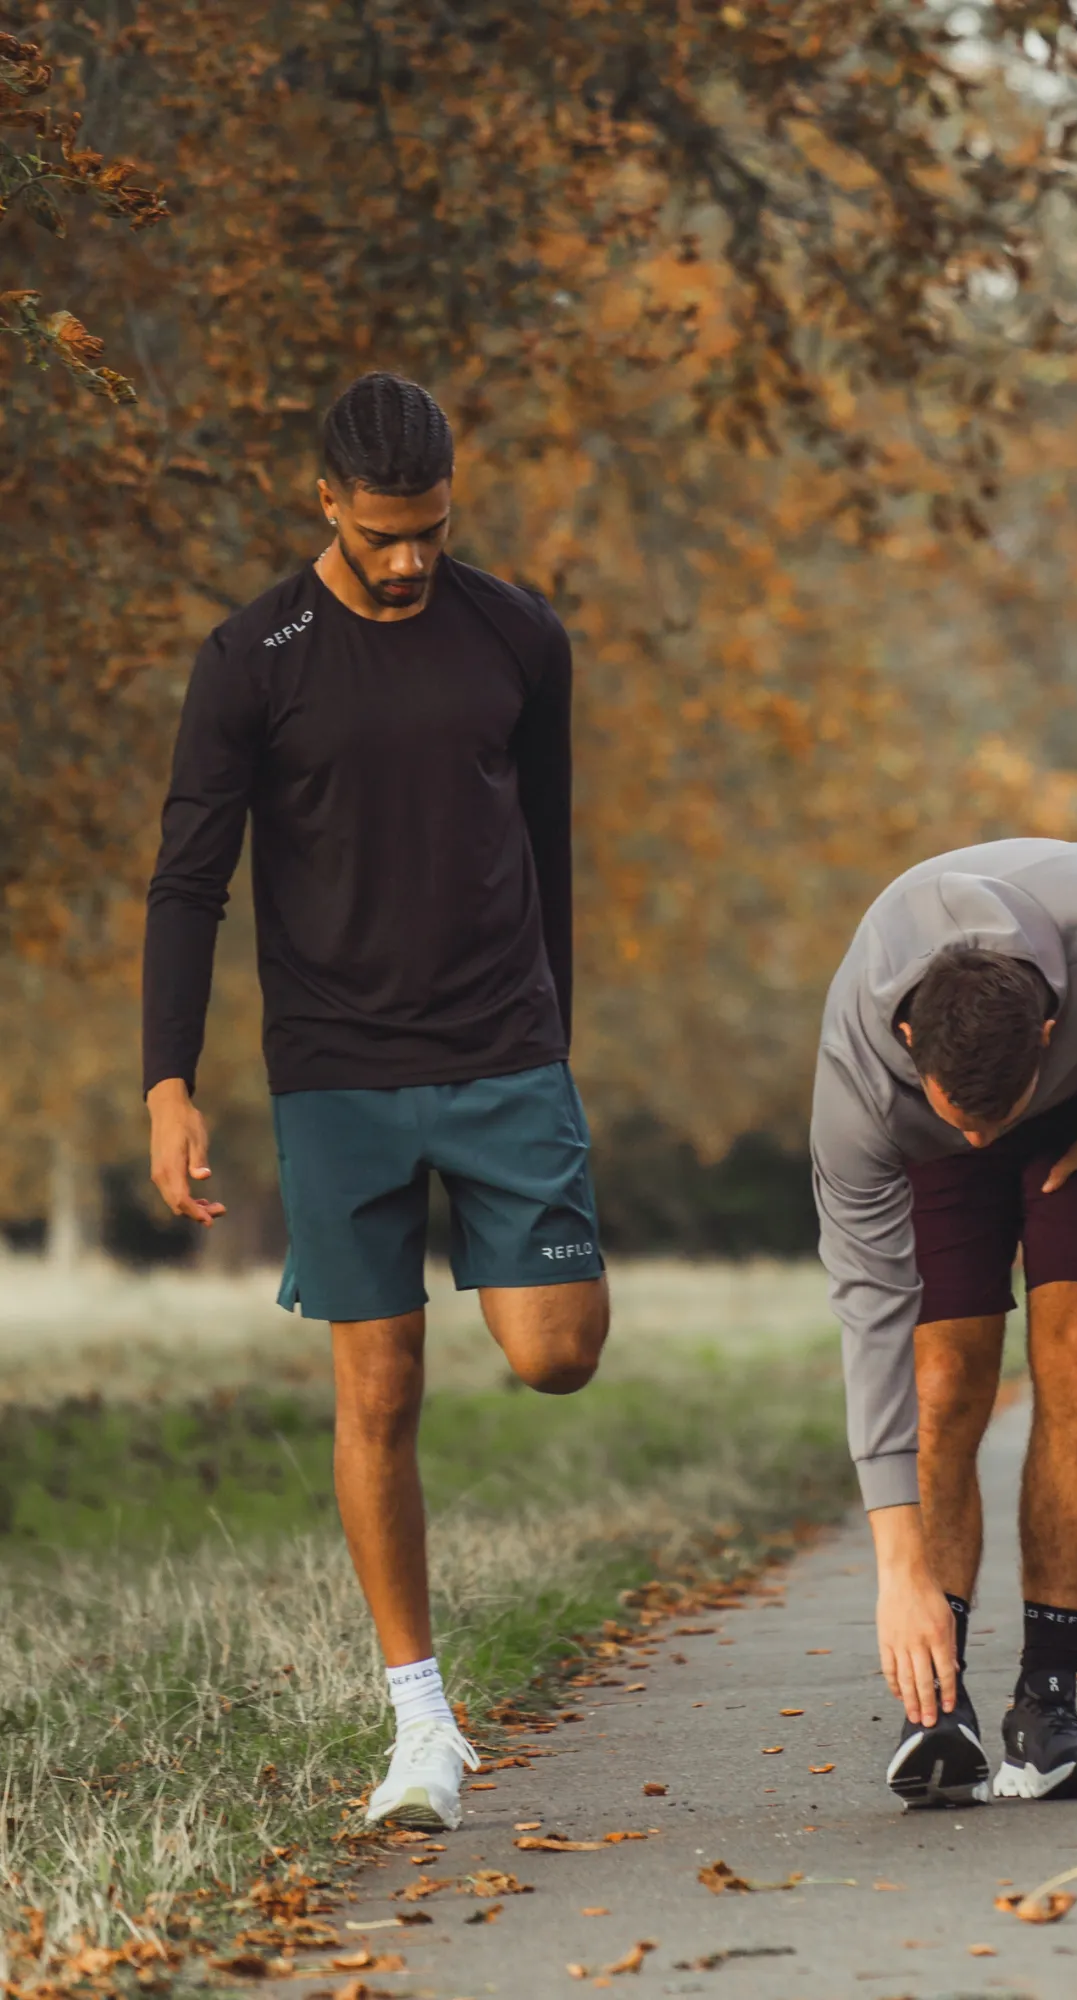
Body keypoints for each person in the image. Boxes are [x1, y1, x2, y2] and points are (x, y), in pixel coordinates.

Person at [143, 373, 609, 1830]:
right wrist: (170, 1082)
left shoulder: (518, 634)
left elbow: (549, 844)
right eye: (384, 534)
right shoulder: (251, 659)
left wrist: (557, 1045)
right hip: (335, 1063)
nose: (409, 559)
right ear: (327, 504)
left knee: (557, 1354)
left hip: (501, 1047)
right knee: (379, 1386)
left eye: (433, 530)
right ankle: (420, 1724)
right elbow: (187, 880)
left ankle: (427, 1709)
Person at [811, 839, 1077, 1808]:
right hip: (918, 1139)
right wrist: (897, 1569)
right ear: (907, 1032)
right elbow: (869, 1320)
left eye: (994, 1117)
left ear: (1045, 1026)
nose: (982, 1139)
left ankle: (1047, 1706)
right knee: (942, 1377)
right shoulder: (857, 1085)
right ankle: (934, 1702)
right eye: (966, 1118)